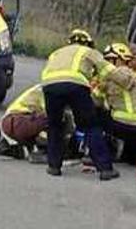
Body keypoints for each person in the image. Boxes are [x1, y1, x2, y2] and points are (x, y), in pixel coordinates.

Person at [40, 29, 123, 181]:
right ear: (88, 43)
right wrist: (127, 79)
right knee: (90, 125)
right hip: (75, 85)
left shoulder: (56, 52)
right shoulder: (88, 51)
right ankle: (105, 169)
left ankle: (54, 166)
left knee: (54, 125)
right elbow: (108, 70)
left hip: (49, 86)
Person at [98, 43, 136, 164]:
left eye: (109, 59)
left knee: (97, 113)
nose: (107, 63)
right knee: (131, 158)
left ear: (118, 60)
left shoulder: (115, 75)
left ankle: (102, 152)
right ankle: (133, 154)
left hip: (125, 126)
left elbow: (96, 100)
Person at [0, 84, 51, 164]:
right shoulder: (48, 92)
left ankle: (9, 148)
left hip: (7, 123)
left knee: (21, 153)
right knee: (55, 118)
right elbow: (51, 114)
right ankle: (43, 152)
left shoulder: (42, 88)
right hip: (20, 122)